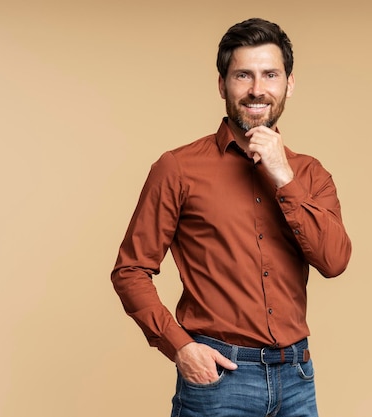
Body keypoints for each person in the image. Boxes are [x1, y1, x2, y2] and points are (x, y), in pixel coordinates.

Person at [111, 17, 352, 417]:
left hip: (297, 378)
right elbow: (130, 270)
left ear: (288, 84)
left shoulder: (310, 174)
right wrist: (181, 347)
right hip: (219, 378)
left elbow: (334, 261)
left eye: (270, 75)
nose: (257, 90)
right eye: (243, 75)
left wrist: (283, 177)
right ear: (222, 84)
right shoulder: (178, 168)